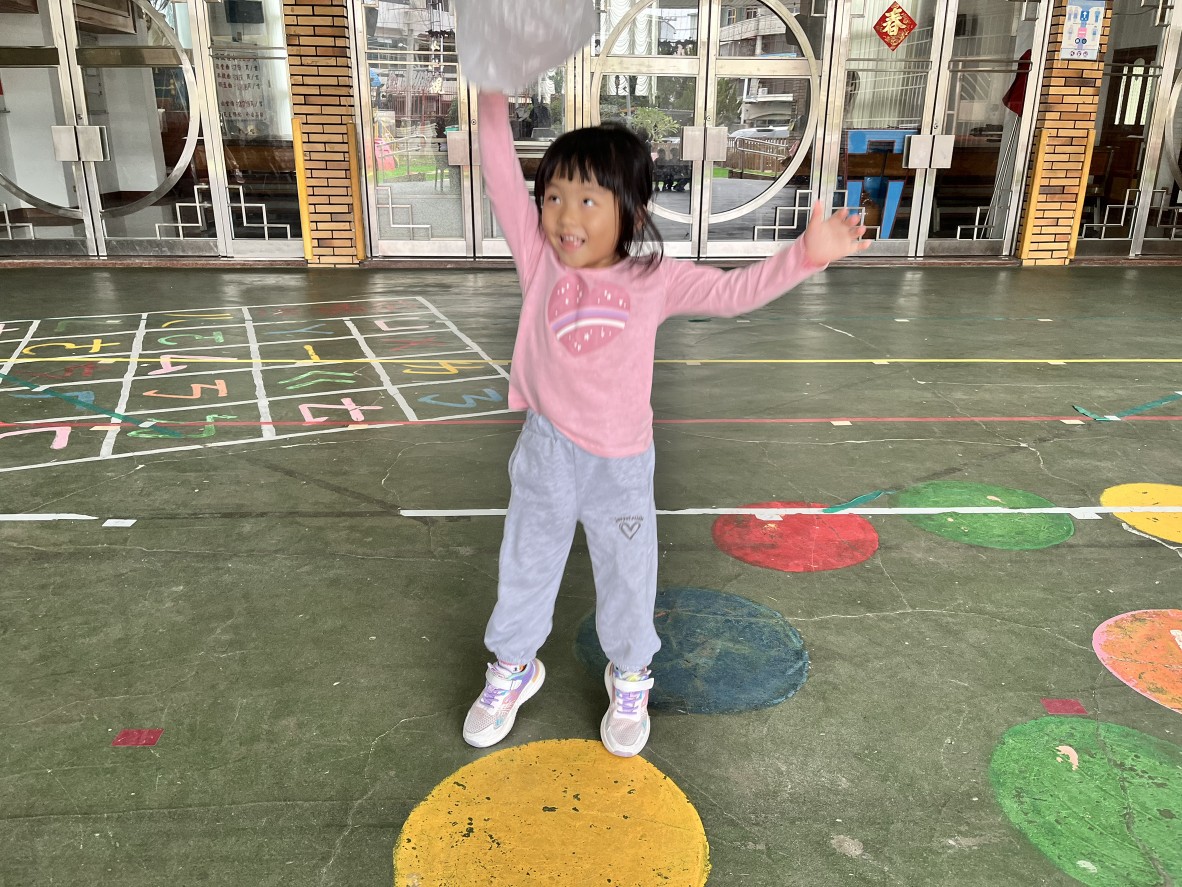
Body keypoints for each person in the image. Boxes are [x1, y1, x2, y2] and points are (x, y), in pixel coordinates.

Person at [462, 90, 869, 758]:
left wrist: (805, 255)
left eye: (588, 200)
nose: (565, 215)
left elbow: (734, 293)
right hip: (546, 451)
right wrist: (491, 95)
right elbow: (501, 172)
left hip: (620, 465)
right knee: (526, 563)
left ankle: (629, 675)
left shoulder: (655, 278)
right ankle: (513, 665)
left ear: (631, 211)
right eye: (554, 197)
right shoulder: (539, 259)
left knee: (628, 573)